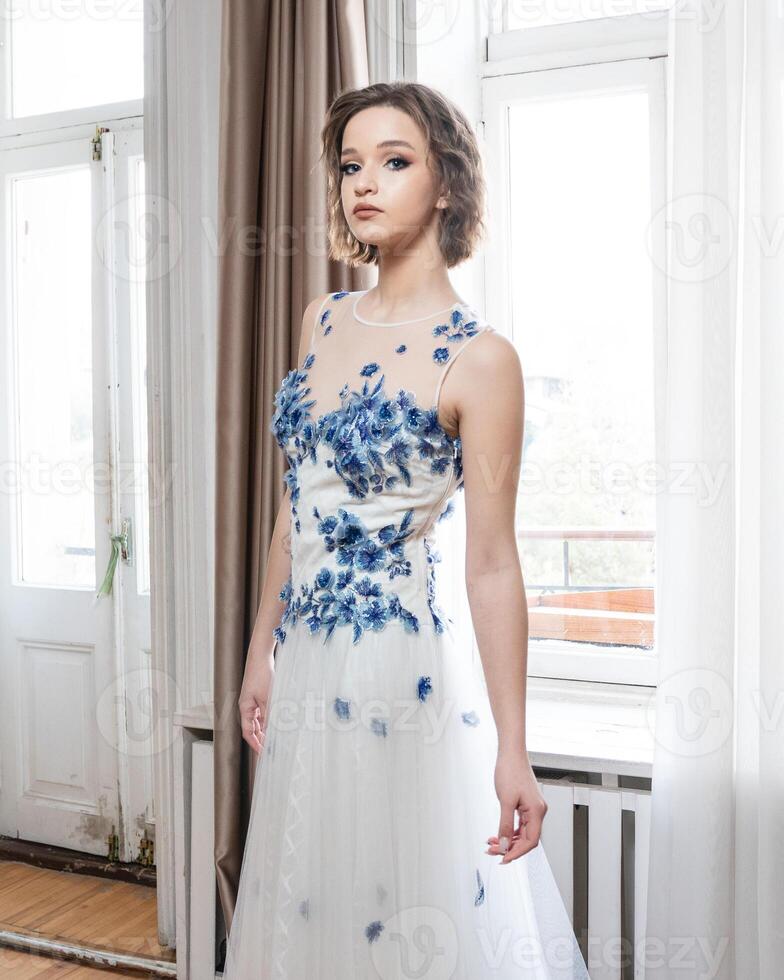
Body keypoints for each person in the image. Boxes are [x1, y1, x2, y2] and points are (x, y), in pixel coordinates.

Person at [222, 81, 590, 979]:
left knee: (408, 915)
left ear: (449, 184)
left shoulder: (482, 357)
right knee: (314, 903)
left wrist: (514, 749)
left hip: (404, 671)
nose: (364, 183)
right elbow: (296, 503)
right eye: (352, 164)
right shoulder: (321, 318)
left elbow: (494, 566)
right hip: (309, 662)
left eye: (395, 161)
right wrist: (261, 646)